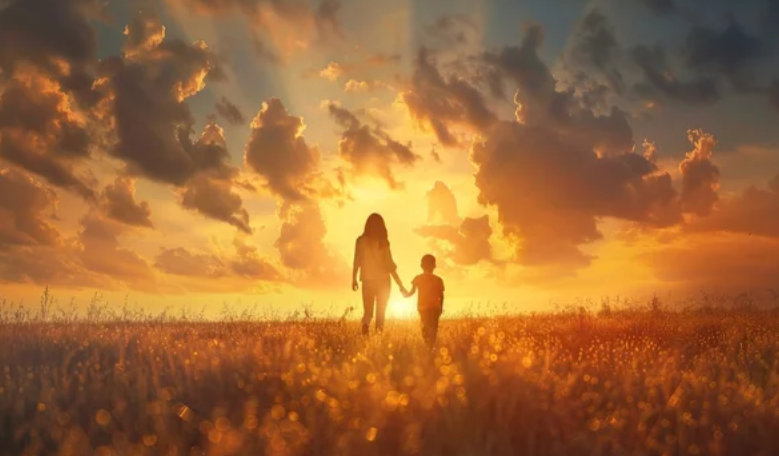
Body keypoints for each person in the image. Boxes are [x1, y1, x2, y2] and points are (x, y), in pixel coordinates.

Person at [352, 213, 405, 336]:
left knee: (367, 312)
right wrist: (400, 285)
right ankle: (378, 339)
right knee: (380, 313)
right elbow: (390, 265)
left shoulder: (360, 241)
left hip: (367, 280)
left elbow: (356, 261)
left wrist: (353, 279)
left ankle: (365, 329)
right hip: (383, 281)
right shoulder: (383, 242)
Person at [402, 254, 445, 348]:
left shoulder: (418, 278)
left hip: (423, 308)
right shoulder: (439, 280)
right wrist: (441, 308)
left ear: (421, 266)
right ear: (434, 266)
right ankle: (431, 347)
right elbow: (441, 296)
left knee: (425, 328)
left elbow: (411, 292)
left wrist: (405, 294)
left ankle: (427, 345)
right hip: (435, 308)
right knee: (434, 328)